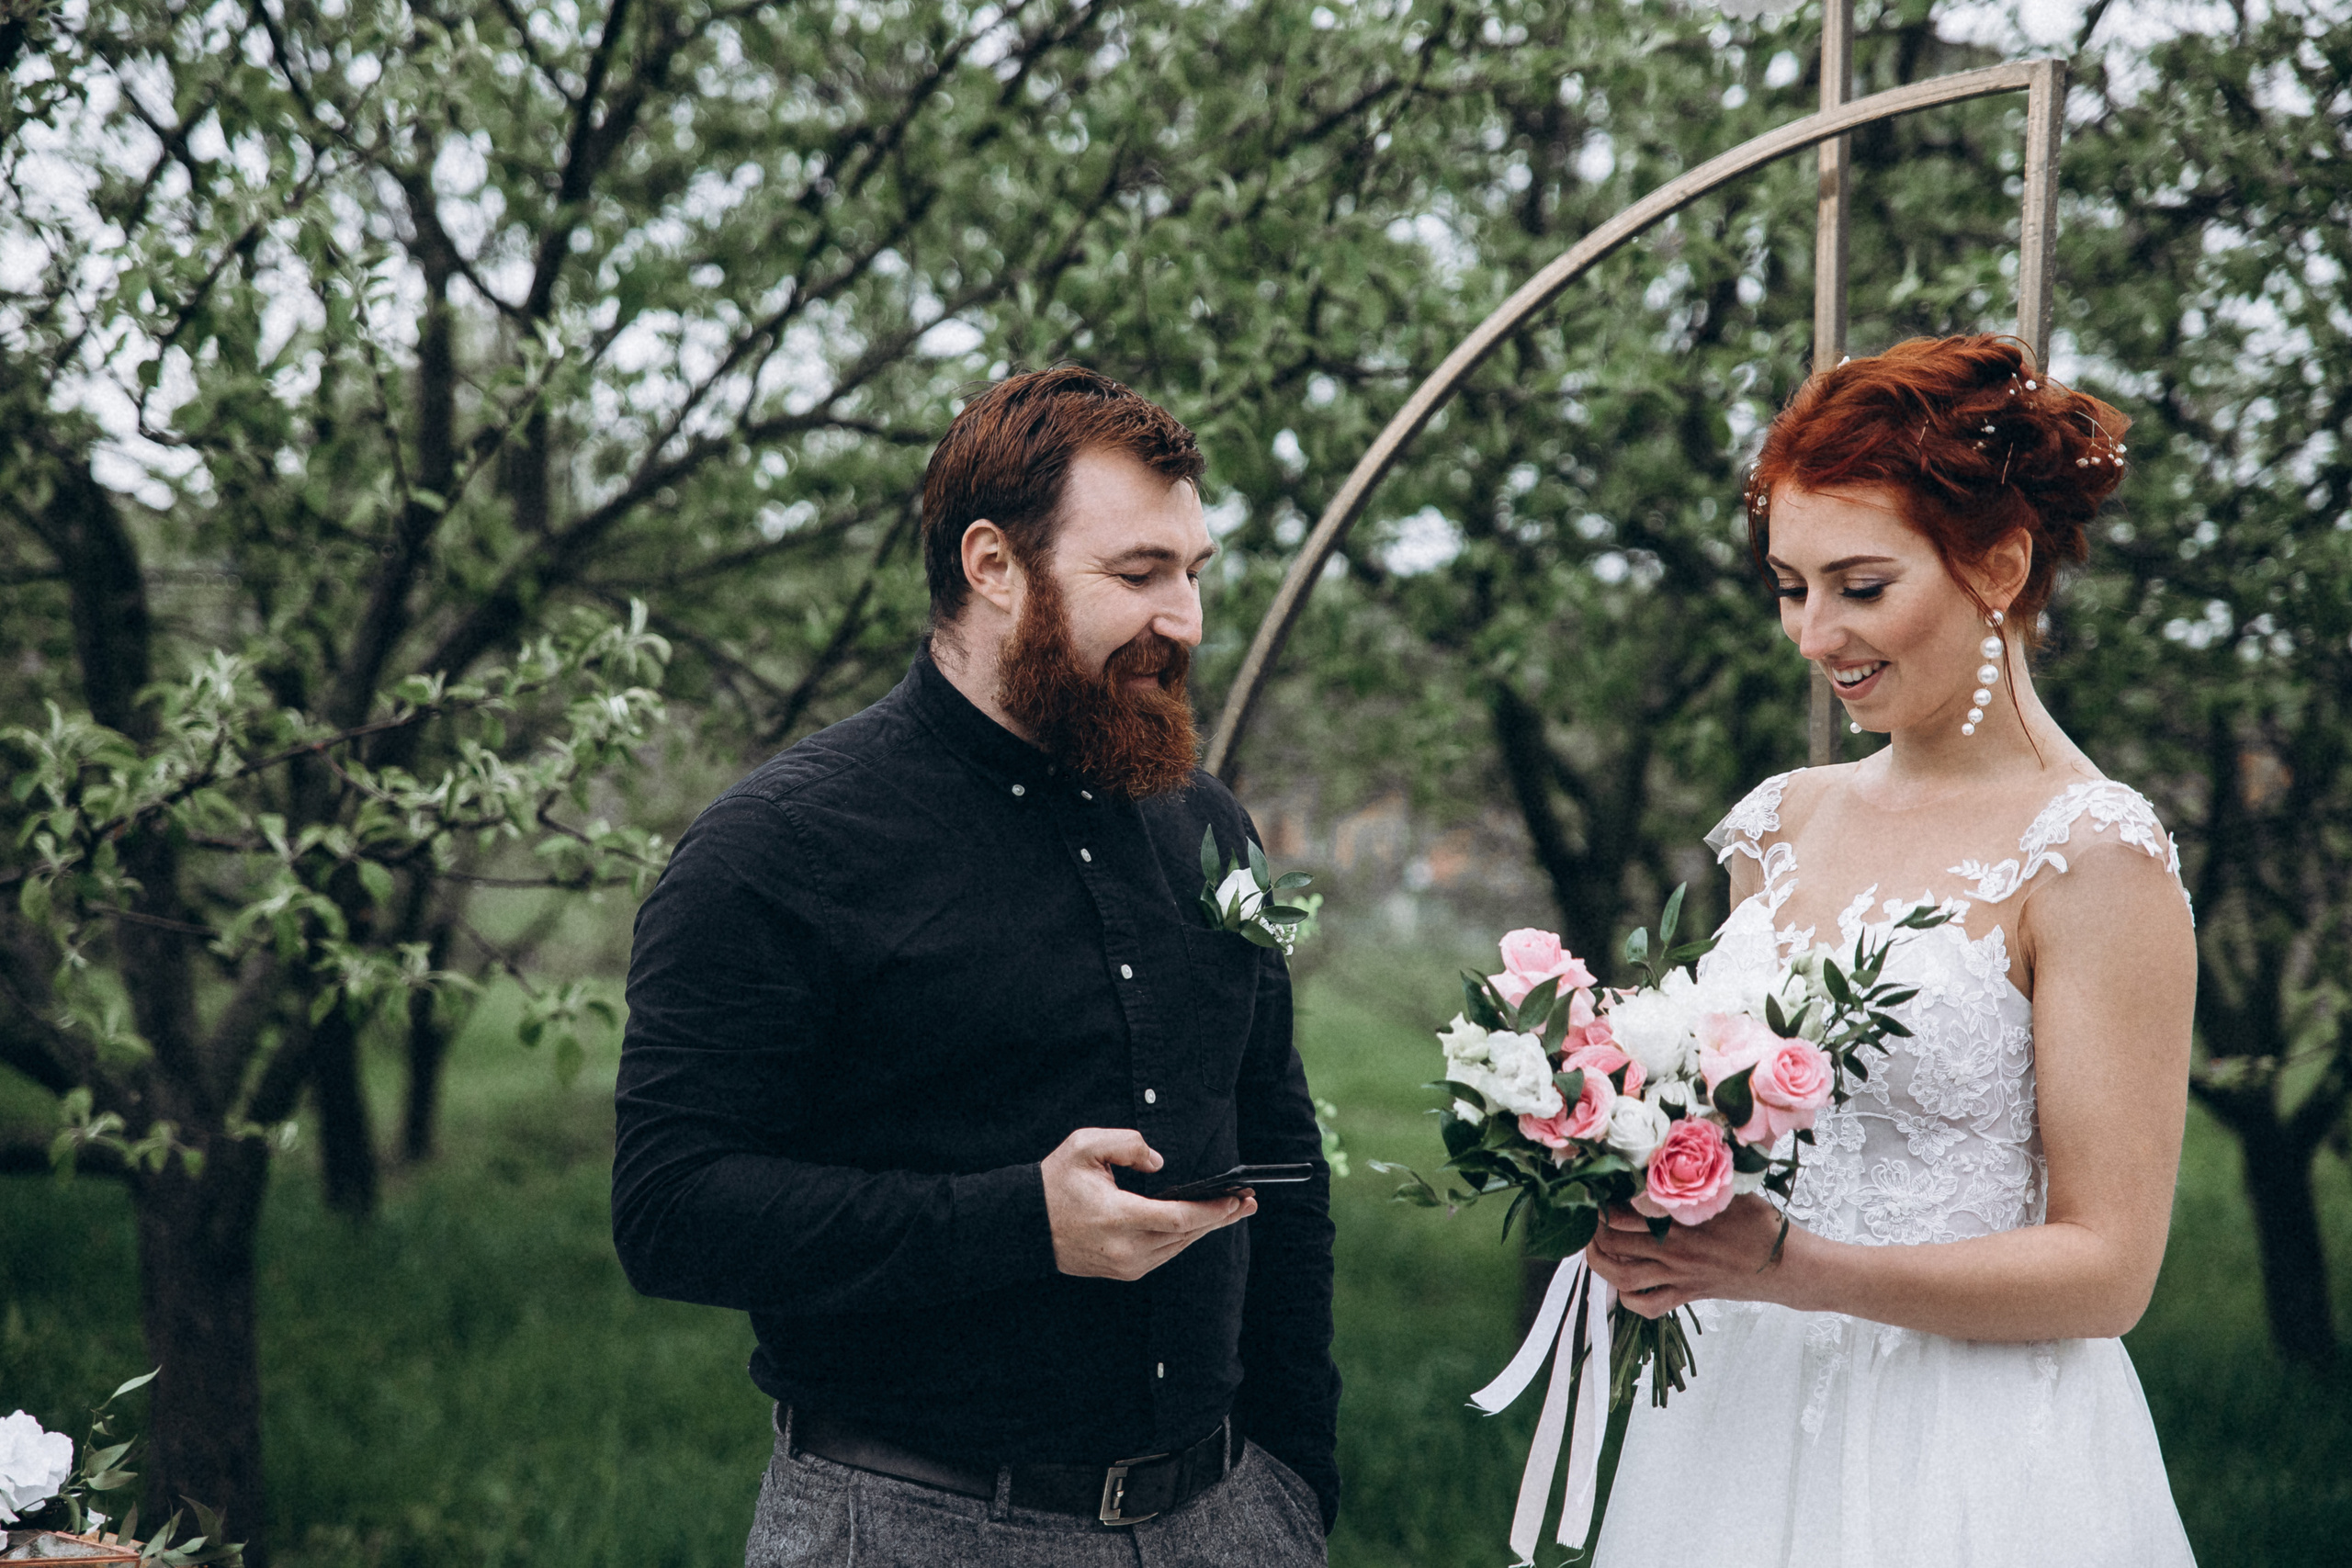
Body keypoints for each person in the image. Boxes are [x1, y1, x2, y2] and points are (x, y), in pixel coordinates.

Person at [612, 366, 1339, 1568]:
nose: (1187, 622)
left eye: (1194, 573)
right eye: (1138, 575)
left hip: (1229, 1520)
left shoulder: (1208, 825)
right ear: (993, 564)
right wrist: (1019, 1223)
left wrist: (1296, 1489)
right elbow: (670, 1212)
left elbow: (1283, 1160)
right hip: (909, 1526)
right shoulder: (776, 848)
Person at [1584, 334, 2198, 1565]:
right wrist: (1634, 1179)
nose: (1815, 634)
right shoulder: (1780, 824)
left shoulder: (2092, 854)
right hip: (1734, 1426)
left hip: (1965, 1448)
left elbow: (2109, 1273)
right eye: (1790, 586)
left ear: (1998, 566)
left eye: (1860, 587)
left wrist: (1793, 1268)